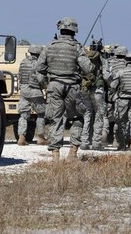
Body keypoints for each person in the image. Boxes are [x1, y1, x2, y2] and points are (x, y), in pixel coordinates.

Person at [37, 17, 92, 161]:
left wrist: (46, 83)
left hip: (54, 85)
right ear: (74, 31)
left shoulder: (50, 46)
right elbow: (88, 68)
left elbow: (39, 68)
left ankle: (55, 155)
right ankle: (72, 153)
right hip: (72, 87)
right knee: (77, 118)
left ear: (60, 29)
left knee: (56, 119)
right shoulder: (77, 47)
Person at [17, 45, 48, 145]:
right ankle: (41, 138)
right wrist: (45, 86)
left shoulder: (23, 62)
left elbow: (19, 76)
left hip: (24, 91)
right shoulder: (38, 64)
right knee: (41, 114)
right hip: (35, 92)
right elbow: (41, 79)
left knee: (23, 115)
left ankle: (21, 138)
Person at [78, 40, 105, 150]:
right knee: (99, 115)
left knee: (87, 115)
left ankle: (84, 142)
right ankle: (96, 143)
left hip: (85, 89)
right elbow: (107, 74)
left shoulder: (84, 58)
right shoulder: (102, 58)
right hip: (98, 90)